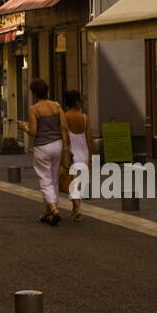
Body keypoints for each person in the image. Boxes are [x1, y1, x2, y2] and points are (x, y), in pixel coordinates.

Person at [18, 79, 70, 225]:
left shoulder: (34, 109)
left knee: (45, 179)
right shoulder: (56, 106)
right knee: (53, 178)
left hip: (42, 147)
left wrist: (24, 127)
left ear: (34, 93)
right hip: (57, 144)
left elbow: (33, 132)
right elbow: (64, 126)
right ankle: (49, 213)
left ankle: (54, 209)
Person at [64, 90, 92, 219]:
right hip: (84, 154)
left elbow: (64, 138)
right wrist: (90, 156)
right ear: (76, 102)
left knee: (72, 182)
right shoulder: (85, 118)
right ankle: (75, 211)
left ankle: (77, 207)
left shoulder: (64, 117)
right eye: (81, 100)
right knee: (79, 183)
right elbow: (89, 139)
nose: (82, 103)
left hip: (71, 154)